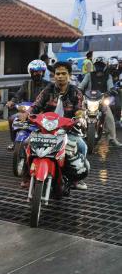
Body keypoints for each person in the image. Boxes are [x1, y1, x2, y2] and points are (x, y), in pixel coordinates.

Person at [30, 61, 88, 190]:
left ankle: (77, 179)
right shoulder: (48, 90)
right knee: (27, 144)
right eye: (57, 74)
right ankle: (26, 177)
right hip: (46, 129)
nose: (60, 76)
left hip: (67, 129)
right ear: (53, 75)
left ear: (69, 75)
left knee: (81, 146)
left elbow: (80, 108)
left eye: (63, 73)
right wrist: (27, 113)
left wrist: (79, 116)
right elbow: (36, 105)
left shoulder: (76, 92)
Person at [6, 60, 50, 150]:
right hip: (27, 111)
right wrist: (12, 102)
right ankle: (14, 141)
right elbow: (18, 95)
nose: (37, 74)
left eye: (39, 72)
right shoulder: (26, 84)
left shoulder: (49, 85)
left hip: (43, 112)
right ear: (30, 72)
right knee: (11, 119)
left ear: (43, 72)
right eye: (34, 72)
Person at [78, 57, 122, 147]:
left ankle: (112, 138)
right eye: (97, 65)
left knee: (109, 117)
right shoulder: (89, 75)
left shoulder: (108, 76)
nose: (99, 67)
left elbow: (110, 86)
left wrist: (111, 90)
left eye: (101, 65)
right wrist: (79, 89)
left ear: (105, 66)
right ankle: (76, 135)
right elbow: (82, 84)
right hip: (88, 99)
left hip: (101, 100)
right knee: (79, 114)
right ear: (94, 66)